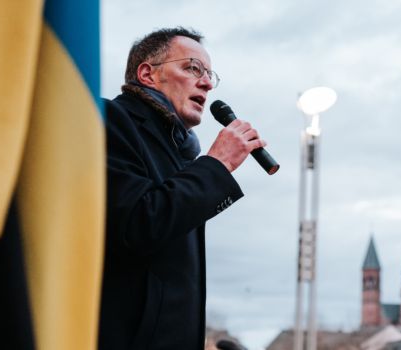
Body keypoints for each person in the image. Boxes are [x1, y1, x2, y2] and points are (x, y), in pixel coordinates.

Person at [98, 27, 266, 349]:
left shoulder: (178, 152)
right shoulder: (111, 120)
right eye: (192, 68)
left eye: (209, 75)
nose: (206, 82)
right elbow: (136, 224)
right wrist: (217, 165)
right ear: (147, 73)